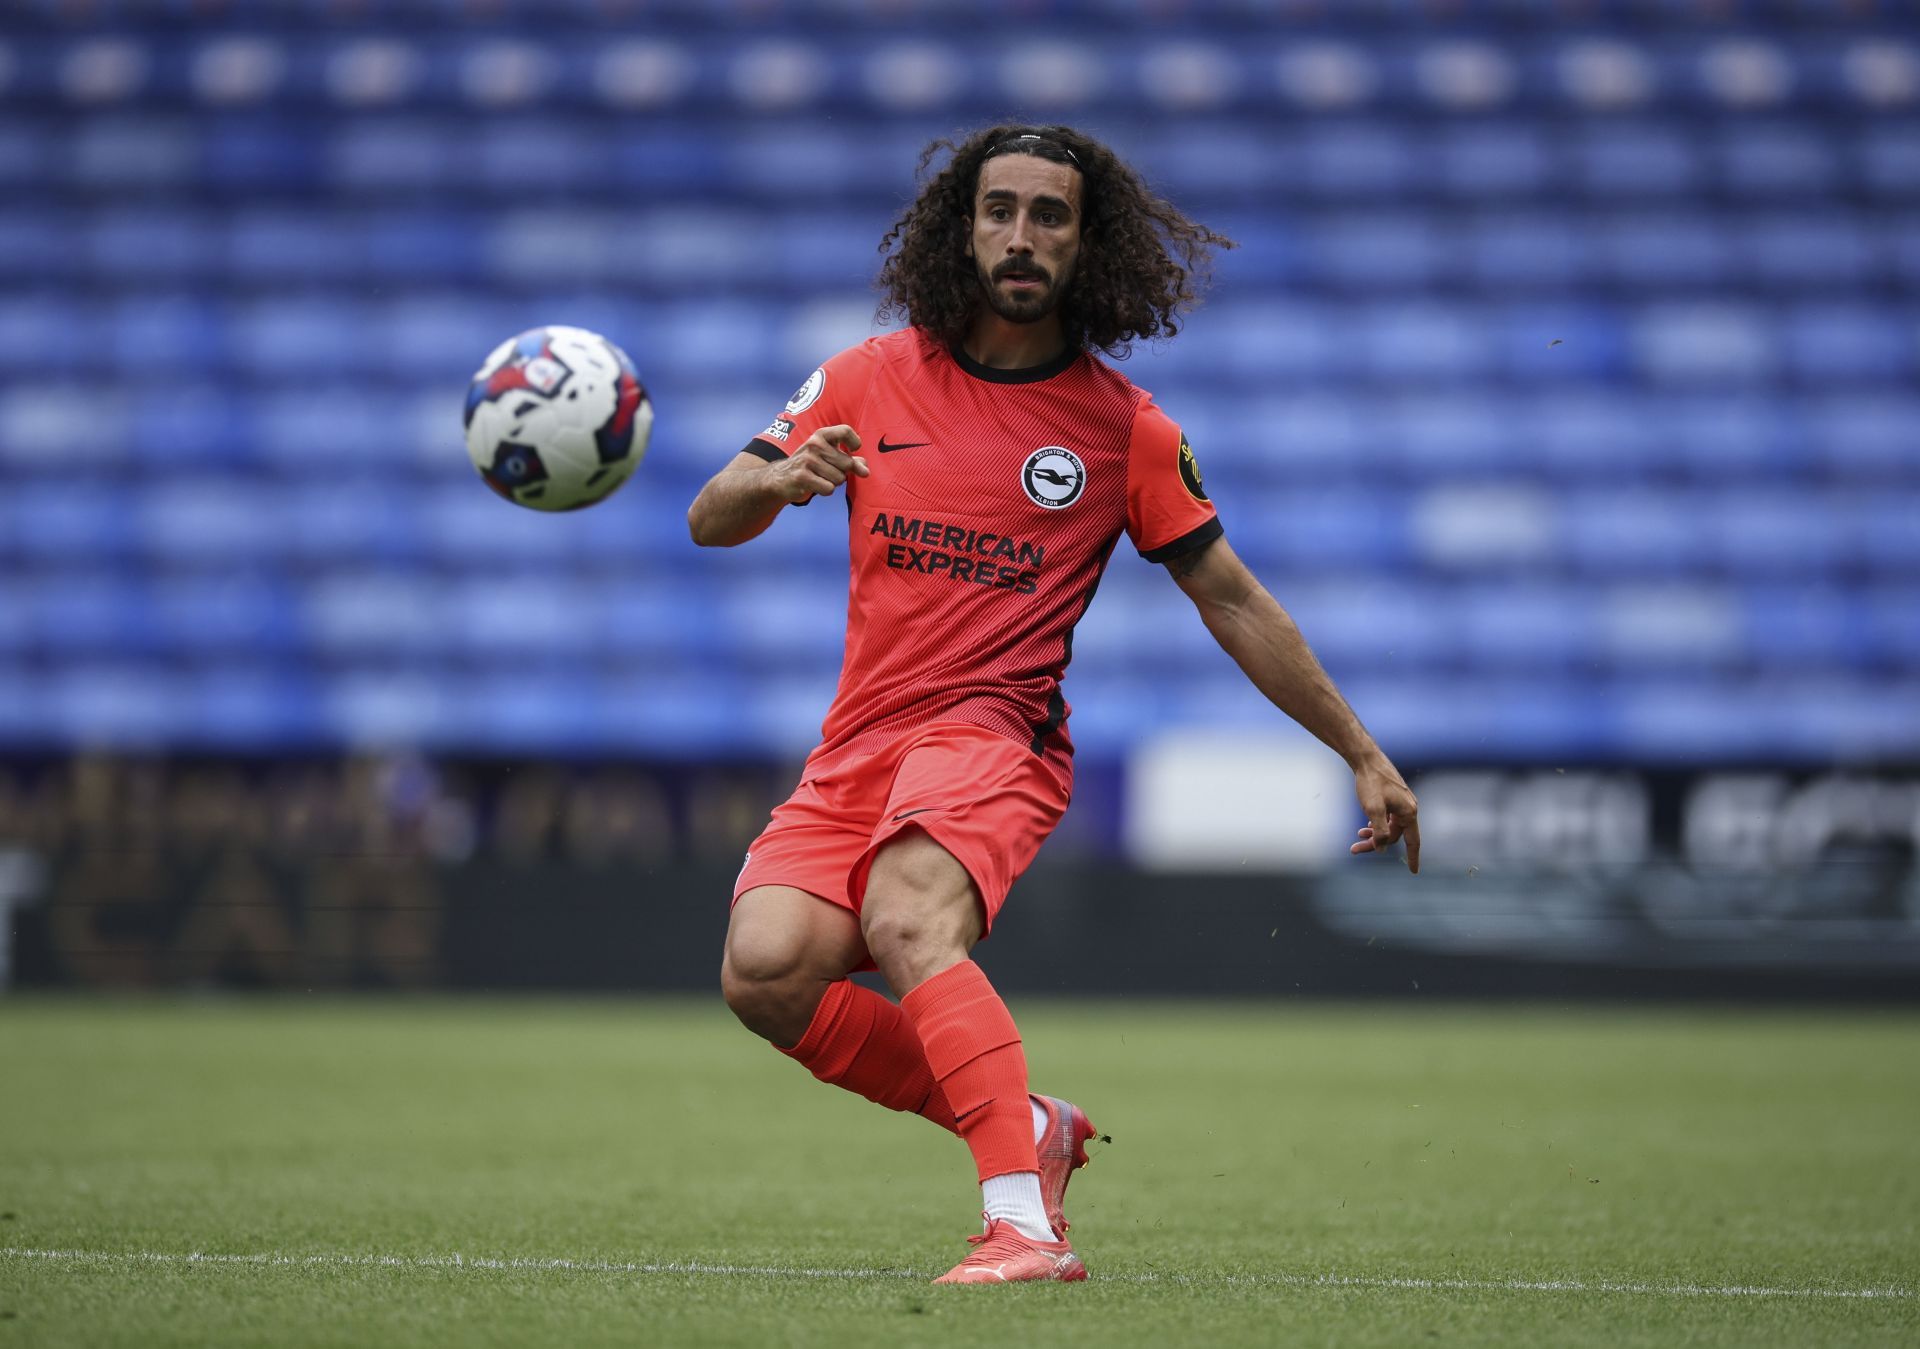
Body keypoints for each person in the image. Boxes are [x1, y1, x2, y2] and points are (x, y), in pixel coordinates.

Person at [686, 124, 1420, 1286]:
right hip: (861, 742)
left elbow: (1232, 599)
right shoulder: (865, 376)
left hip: (994, 736)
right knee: (764, 971)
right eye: (1000, 209)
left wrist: (1361, 750)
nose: (1022, 234)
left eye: (1051, 215)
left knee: (907, 915)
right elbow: (709, 513)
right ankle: (1026, 1124)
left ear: (1091, 244)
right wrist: (773, 480)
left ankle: (1020, 1223)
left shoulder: (1126, 430)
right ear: (960, 228)